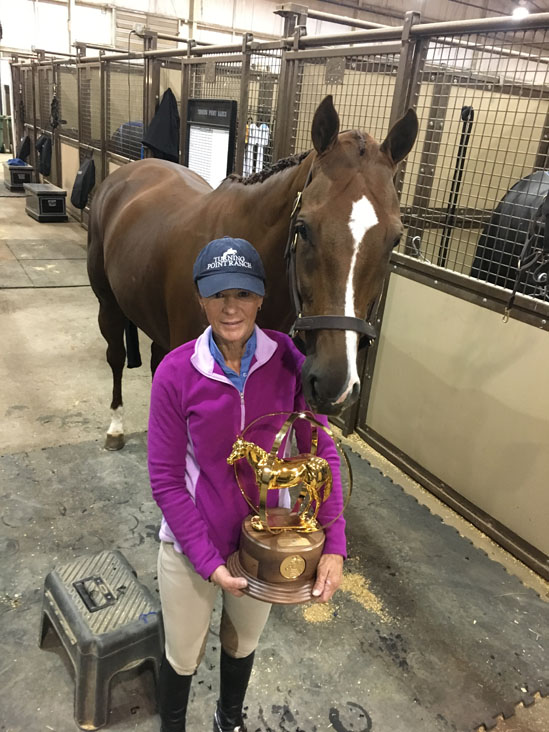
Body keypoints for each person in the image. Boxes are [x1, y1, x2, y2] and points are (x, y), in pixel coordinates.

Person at [148, 236, 347, 732]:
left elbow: (318, 451)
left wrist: (334, 542)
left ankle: (228, 721)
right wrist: (208, 560)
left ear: (261, 298)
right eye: (218, 294)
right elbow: (167, 480)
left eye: (242, 293)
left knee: (243, 644)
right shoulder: (176, 372)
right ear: (200, 298)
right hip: (193, 551)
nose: (230, 307)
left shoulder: (286, 360)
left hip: (264, 548)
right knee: (182, 655)